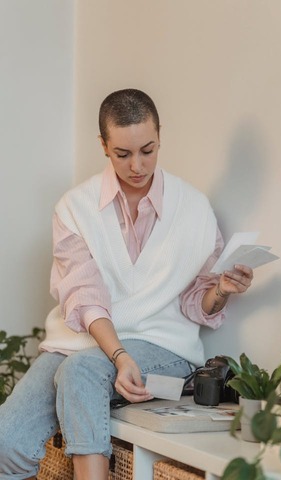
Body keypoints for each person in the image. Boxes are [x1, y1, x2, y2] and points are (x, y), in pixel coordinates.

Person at [0, 89, 253, 480]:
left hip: (162, 348)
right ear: (103, 145)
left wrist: (221, 290)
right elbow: (85, 298)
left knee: (82, 371)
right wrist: (118, 356)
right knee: (7, 439)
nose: (137, 165)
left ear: (159, 136)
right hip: (82, 342)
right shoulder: (73, 208)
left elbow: (193, 303)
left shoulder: (195, 209)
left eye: (147, 150)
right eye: (123, 154)